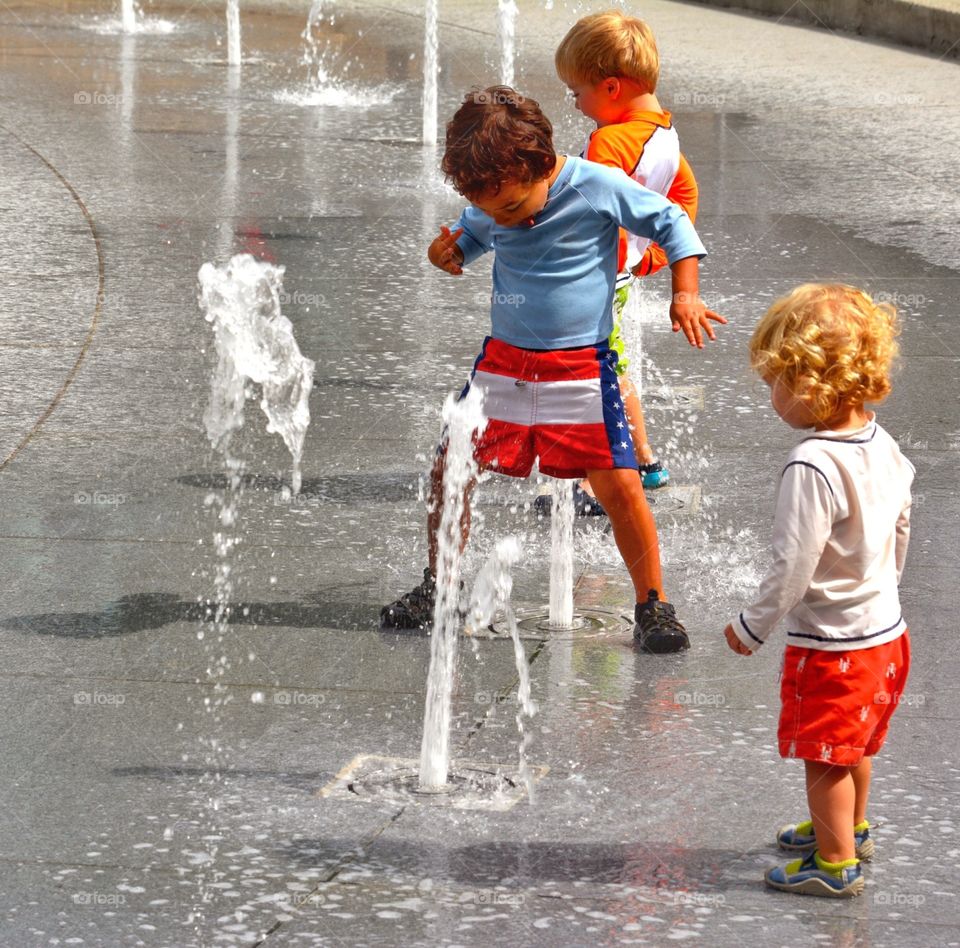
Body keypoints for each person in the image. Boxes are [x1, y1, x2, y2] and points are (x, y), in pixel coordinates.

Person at [380, 86, 724, 653]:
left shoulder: (594, 185)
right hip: (504, 365)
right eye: (491, 210)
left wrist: (684, 293)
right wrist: (447, 254)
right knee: (452, 469)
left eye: (512, 208)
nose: (503, 220)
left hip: (580, 370)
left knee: (619, 485)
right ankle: (441, 585)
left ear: (541, 164)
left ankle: (653, 603)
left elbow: (672, 224)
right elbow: (468, 237)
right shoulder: (498, 198)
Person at [724, 284, 914, 897]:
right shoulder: (882, 443)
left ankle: (834, 867)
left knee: (825, 753)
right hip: (887, 636)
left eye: (775, 381)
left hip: (834, 647)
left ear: (809, 384)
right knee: (855, 742)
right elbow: (901, 526)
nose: (770, 395)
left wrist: (754, 624)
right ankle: (850, 829)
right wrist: (881, 586)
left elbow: (794, 563)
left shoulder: (811, 463)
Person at [551, 10, 701, 511]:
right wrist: (650, 255)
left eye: (578, 92)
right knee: (611, 366)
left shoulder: (609, 141)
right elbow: (684, 195)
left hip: (594, 277)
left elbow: (586, 205)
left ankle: (601, 479)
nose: (576, 105)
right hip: (619, 273)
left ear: (611, 87)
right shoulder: (665, 135)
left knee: (597, 372)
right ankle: (645, 461)